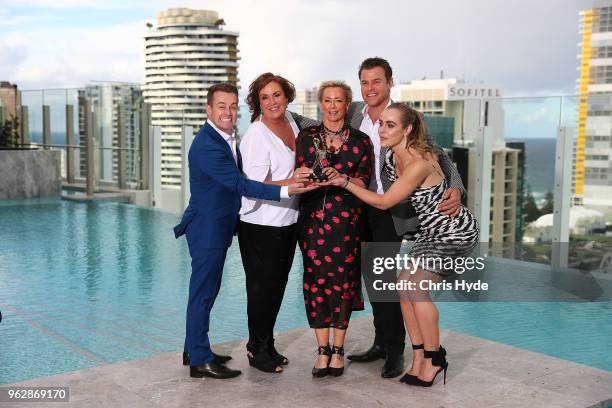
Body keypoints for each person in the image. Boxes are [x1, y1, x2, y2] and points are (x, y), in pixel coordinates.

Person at [325, 103, 479, 386]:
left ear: (408, 129)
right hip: (429, 235)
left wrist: (345, 182)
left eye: (391, 125)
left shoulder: (419, 161)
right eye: (381, 124)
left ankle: (435, 358)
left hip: (454, 232)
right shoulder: (390, 156)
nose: (382, 130)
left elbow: (385, 201)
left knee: (416, 290)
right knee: (402, 287)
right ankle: (419, 356)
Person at [173, 83, 314, 379]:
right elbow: (241, 185)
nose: (227, 111)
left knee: (205, 292)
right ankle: (199, 361)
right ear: (208, 109)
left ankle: (194, 349)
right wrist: (287, 188)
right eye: (221, 106)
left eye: (232, 106)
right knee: (203, 294)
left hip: (218, 225)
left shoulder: (222, 136)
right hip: (208, 227)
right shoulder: (208, 146)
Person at [345, 57, 464, 379]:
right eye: (365, 82)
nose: (370, 88)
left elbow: (438, 156)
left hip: (393, 210)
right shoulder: (353, 113)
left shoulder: (402, 116)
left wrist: (455, 188)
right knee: (372, 278)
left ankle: (396, 350)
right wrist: (280, 110)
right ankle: (381, 342)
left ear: (389, 83)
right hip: (361, 204)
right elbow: (320, 120)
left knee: (387, 280)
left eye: (377, 81)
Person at [237, 73, 317, 373]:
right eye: (265, 97)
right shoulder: (257, 134)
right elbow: (253, 183)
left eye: (277, 95)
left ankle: (267, 343)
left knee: (276, 287)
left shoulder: (293, 124)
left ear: (287, 97)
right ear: (257, 103)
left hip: (287, 220)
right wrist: (292, 182)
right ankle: (256, 349)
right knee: (261, 289)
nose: (272, 102)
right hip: (260, 223)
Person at [295, 81, 373, 378]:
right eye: (327, 100)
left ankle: (338, 351)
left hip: (347, 221)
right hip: (313, 220)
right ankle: (322, 350)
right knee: (315, 283)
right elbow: (302, 178)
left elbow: (364, 183)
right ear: (320, 104)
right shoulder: (306, 137)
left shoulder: (361, 141)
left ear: (346, 104)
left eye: (338, 100)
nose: (332, 106)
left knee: (343, 283)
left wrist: (342, 178)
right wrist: (310, 178)